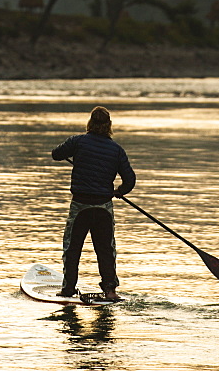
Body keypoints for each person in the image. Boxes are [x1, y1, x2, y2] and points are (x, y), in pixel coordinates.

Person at [51, 105, 135, 301]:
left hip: (80, 206)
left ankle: (68, 289)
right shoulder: (116, 150)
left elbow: (56, 154)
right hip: (103, 208)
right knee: (106, 250)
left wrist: (72, 154)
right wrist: (119, 191)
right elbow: (130, 180)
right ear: (109, 126)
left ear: (89, 123)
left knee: (72, 249)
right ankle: (110, 291)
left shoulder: (78, 142)